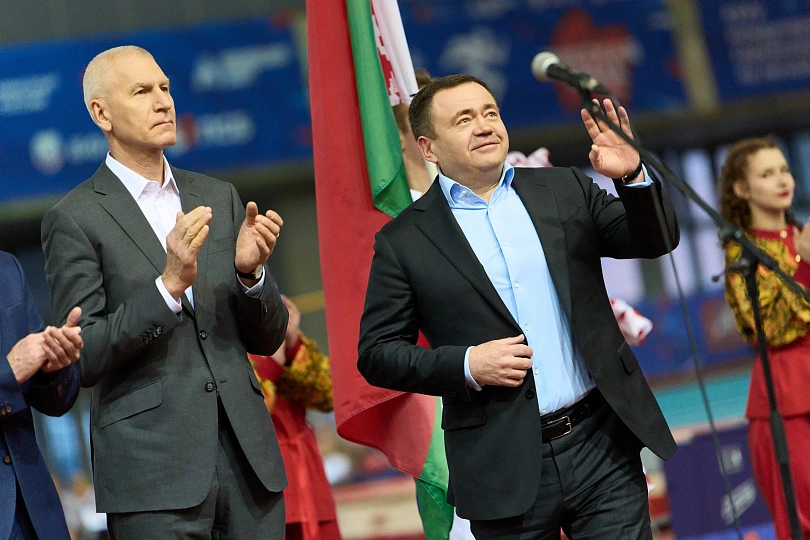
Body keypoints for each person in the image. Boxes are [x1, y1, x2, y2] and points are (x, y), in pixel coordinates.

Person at [358, 74, 680, 538]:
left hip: (603, 445)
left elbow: (655, 239)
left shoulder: (563, 188)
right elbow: (377, 354)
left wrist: (632, 177)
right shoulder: (404, 240)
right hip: (500, 465)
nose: (484, 125)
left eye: (490, 112)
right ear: (428, 148)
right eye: (463, 120)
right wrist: (467, 364)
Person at [41, 45, 289, 538]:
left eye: (165, 88)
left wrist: (251, 277)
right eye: (141, 91)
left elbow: (268, 338)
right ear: (101, 114)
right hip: (152, 476)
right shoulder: (74, 219)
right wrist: (168, 286)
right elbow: (83, 355)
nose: (163, 102)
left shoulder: (218, 196)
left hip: (249, 469)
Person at [720, 137, 810, 540]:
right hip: (788, 398)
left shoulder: (802, 235)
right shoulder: (742, 253)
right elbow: (770, 329)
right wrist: (805, 265)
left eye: (785, 170)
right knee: (801, 521)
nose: (782, 180)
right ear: (742, 189)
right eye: (767, 173)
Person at [1, 250, 83, 539]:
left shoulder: (7, 268)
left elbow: (57, 401)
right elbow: (12, 372)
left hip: (36, 515)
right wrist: (8, 374)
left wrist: (52, 366)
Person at [249, 297, 341, 540]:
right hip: (258, 477)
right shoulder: (219, 342)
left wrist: (292, 346)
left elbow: (329, 396)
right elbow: (242, 413)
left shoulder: (274, 323)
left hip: (306, 472)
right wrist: (271, 365)